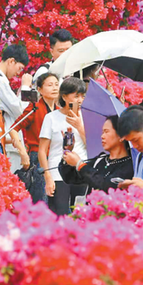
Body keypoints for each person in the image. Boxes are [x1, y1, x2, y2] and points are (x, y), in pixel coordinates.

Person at [38, 77, 87, 216]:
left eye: (82, 96)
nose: (80, 100)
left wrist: (80, 127)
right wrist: (47, 176)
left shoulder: (86, 117)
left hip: (81, 170)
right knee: (59, 214)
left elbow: (93, 147)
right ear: (64, 96)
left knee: (79, 214)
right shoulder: (51, 117)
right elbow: (42, 150)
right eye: (76, 96)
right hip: (57, 172)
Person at [9, 72, 60, 203]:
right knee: (41, 199)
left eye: (56, 84)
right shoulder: (34, 108)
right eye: (50, 85)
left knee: (56, 198)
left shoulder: (59, 110)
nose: (54, 88)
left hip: (56, 157)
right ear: (39, 90)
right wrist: (22, 152)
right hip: (38, 157)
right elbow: (13, 129)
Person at [58, 115, 133, 195]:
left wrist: (80, 164)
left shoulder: (130, 165)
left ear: (121, 136)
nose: (102, 136)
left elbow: (106, 186)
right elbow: (69, 177)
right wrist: (67, 151)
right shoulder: (100, 160)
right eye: (102, 132)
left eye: (106, 132)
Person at [0, 44, 32, 172]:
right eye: (19, 68)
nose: (18, 73)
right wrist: (25, 87)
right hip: (8, 139)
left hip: (7, 139)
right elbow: (21, 112)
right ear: (11, 61)